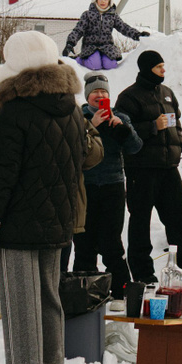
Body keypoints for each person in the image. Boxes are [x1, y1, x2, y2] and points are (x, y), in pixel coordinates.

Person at [0, 31, 94, 364]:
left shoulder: (16, 109)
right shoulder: (71, 107)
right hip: (59, 217)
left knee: (20, 303)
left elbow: (3, 171)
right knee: (48, 297)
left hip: (19, 220)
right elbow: (82, 159)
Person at [114, 49, 182, 285]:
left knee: (178, 221)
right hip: (142, 169)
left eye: (163, 66)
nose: (163, 70)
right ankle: (143, 273)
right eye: (159, 67)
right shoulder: (129, 97)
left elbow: (176, 122)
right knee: (140, 222)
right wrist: (152, 126)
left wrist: (179, 144)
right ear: (147, 69)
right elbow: (124, 133)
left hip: (168, 168)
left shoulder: (167, 93)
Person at [76, 71, 140, 296]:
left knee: (111, 243)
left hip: (113, 185)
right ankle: (84, 295)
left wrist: (123, 129)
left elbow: (136, 147)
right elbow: (72, 148)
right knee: (84, 244)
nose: (100, 96)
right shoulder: (78, 117)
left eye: (104, 92)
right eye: (95, 92)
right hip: (85, 186)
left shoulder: (120, 116)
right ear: (87, 96)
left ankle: (121, 291)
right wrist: (90, 125)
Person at [62, 0, 146, 72]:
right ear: (95, 0)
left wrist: (138, 35)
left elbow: (123, 27)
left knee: (111, 65)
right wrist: (70, 44)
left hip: (107, 47)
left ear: (109, 1)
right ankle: (79, 59)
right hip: (90, 47)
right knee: (94, 65)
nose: (103, 1)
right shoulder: (87, 15)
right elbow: (78, 30)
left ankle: (101, 59)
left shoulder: (112, 16)